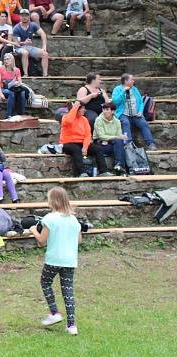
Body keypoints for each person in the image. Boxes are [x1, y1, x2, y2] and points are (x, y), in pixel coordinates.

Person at [30, 187, 82, 336]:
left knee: (45, 282)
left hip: (53, 259)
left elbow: (41, 241)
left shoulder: (49, 218)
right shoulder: (73, 219)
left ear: (53, 201)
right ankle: (72, 325)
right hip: (70, 260)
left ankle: (54, 313)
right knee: (68, 290)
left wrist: (34, 230)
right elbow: (79, 240)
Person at [60, 101, 112, 178]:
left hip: (82, 143)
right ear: (77, 109)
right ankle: (81, 173)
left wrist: (85, 147)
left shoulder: (84, 119)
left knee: (98, 148)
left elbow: (88, 135)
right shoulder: (66, 117)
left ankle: (103, 171)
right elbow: (69, 121)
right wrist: (74, 108)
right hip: (68, 143)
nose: (84, 110)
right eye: (82, 108)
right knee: (76, 150)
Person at [111, 73, 156, 150]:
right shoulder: (117, 89)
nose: (133, 81)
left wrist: (140, 111)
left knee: (143, 123)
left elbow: (141, 102)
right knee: (125, 122)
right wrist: (123, 92)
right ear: (126, 81)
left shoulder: (134, 89)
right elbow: (115, 101)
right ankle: (128, 144)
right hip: (123, 113)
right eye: (131, 80)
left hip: (136, 114)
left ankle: (151, 143)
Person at [13, 8, 50, 77]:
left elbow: (43, 34)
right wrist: (24, 43)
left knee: (45, 54)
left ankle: (45, 74)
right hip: (19, 48)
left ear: (29, 16)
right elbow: (16, 43)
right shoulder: (16, 28)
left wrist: (44, 46)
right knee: (25, 53)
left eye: (26, 15)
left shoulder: (33, 25)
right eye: (22, 16)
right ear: (20, 17)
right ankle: (25, 74)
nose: (24, 17)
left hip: (29, 47)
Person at [94, 102, 127, 175]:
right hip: (100, 144)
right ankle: (121, 168)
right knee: (120, 147)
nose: (104, 111)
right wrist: (114, 137)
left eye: (107, 109)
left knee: (119, 144)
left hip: (112, 144)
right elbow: (101, 136)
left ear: (113, 111)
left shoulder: (117, 121)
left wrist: (120, 137)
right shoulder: (99, 120)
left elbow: (119, 135)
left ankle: (118, 165)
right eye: (103, 109)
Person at [0, 53, 28, 118]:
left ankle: (21, 114)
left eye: (8, 59)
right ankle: (9, 114)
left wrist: (17, 84)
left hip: (14, 88)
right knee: (11, 93)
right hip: (4, 89)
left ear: (12, 60)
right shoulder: (1, 69)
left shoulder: (17, 70)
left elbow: (20, 82)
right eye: (4, 59)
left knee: (22, 93)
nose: (6, 61)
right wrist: (0, 93)